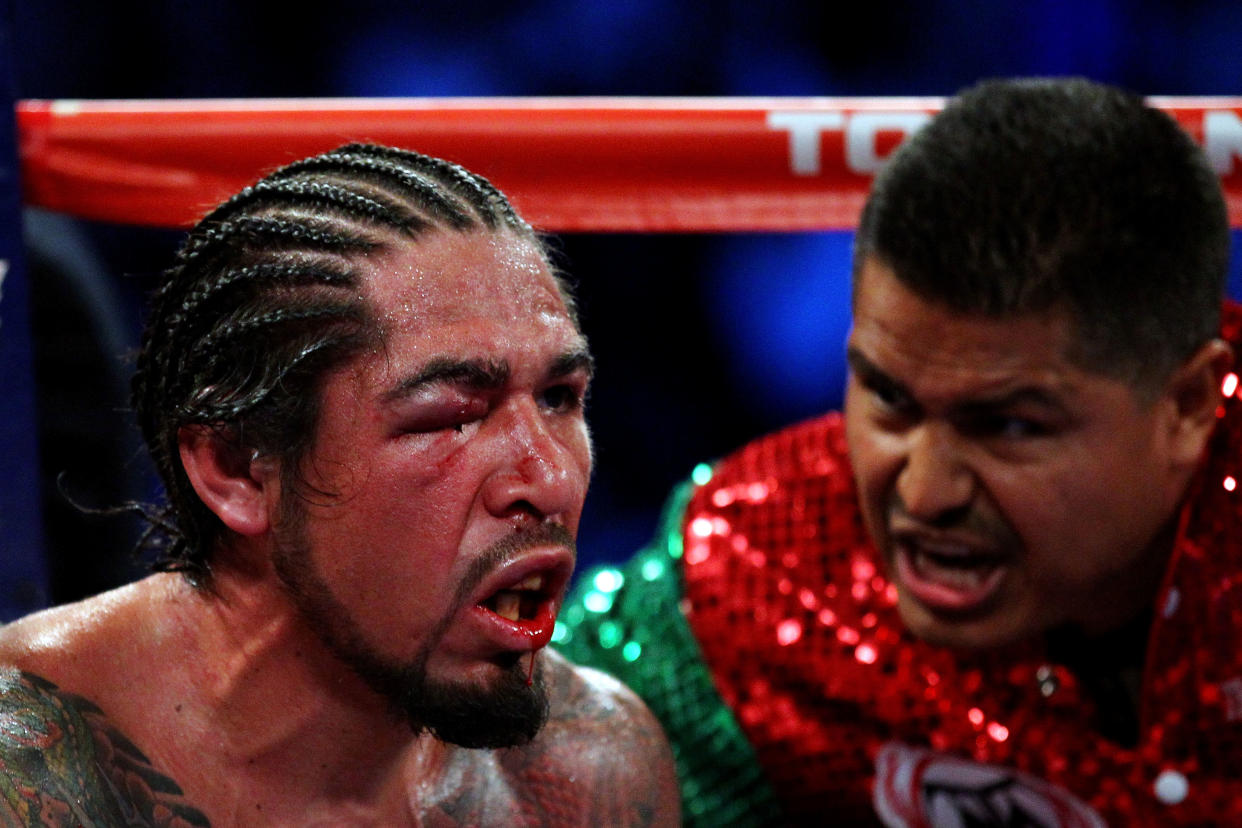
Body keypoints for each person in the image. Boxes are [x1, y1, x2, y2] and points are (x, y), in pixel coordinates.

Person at [557, 77, 1242, 825]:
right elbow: (500, 760)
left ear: (1187, 407)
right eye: (889, 399)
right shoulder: (769, 562)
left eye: (1008, 427)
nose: (924, 493)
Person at [0, 143, 680, 826]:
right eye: (455, 417)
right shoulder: (28, 770)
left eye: (560, 398)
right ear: (236, 470)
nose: (552, 478)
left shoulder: (589, 772)